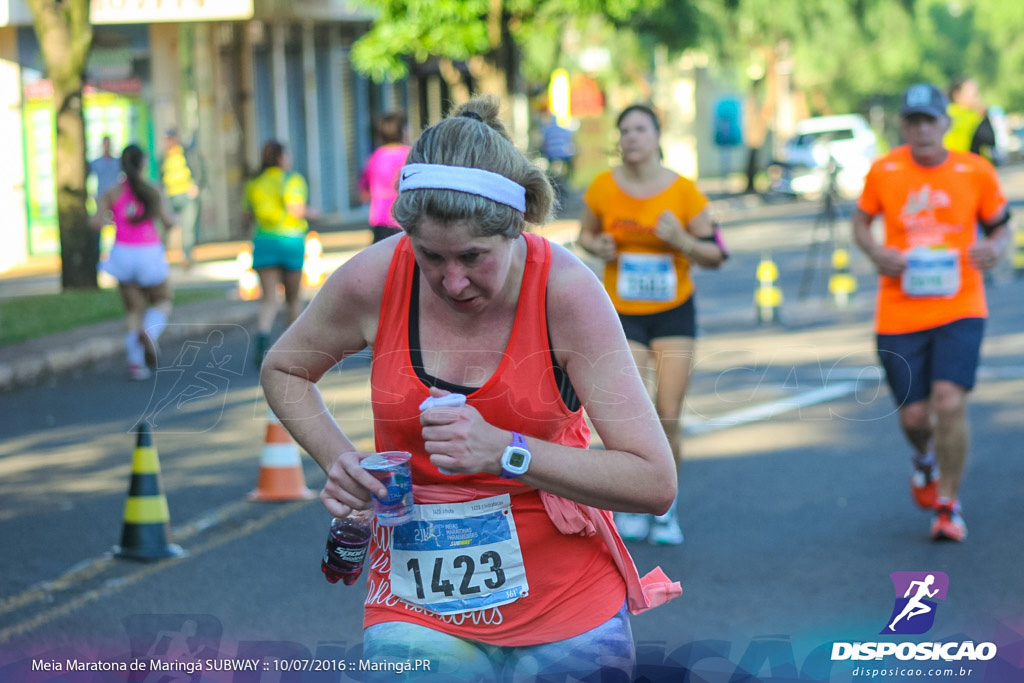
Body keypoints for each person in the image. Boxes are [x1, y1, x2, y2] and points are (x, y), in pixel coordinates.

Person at [260, 95, 681, 681]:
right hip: (416, 603)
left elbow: (655, 480)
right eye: (430, 255)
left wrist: (507, 451)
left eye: (473, 257)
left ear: (516, 229)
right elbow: (285, 369)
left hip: (565, 602)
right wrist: (343, 463)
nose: (452, 281)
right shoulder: (375, 279)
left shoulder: (567, 294)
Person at [852, 83, 1012, 542]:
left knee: (949, 401)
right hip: (900, 310)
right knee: (915, 418)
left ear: (945, 123)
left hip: (961, 304)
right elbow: (861, 221)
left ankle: (948, 504)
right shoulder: (884, 171)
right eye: (913, 121)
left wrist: (995, 249)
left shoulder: (975, 170)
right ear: (903, 126)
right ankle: (923, 460)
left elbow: (1001, 227)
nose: (921, 129)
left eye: (930, 120)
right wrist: (875, 251)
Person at [577, 103, 728, 545]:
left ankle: (666, 506)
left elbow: (717, 253)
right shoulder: (604, 188)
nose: (631, 138)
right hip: (621, 312)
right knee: (628, 411)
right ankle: (631, 503)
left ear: (657, 135)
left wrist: (680, 239)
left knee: (668, 414)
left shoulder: (682, 192)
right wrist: (597, 245)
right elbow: (584, 234)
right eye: (624, 130)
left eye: (640, 129)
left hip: (673, 310)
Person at [91, 144, 177, 381]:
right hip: (149, 252)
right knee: (162, 300)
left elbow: (96, 223)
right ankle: (150, 332)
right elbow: (168, 221)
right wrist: (176, 218)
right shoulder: (154, 189)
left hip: (122, 255)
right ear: (143, 163)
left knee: (132, 310)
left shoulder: (111, 192)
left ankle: (136, 364)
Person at [243, 140, 311, 368]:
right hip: (290, 241)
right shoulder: (292, 180)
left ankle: (262, 338)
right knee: (293, 299)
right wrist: (315, 213)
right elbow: (296, 209)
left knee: (269, 300)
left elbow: (247, 215)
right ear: (281, 158)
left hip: (263, 241)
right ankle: (291, 350)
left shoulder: (254, 182)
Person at [359, 111, 411, 244]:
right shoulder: (410, 155)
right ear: (402, 131)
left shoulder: (374, 157)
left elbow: (364, 192)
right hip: (405, 218)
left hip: (380, 219)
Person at [160, 129, 202, 268]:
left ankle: (187, 257)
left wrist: (196, 186)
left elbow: (198, 168)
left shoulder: (185, 152)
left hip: (186, 194)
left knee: (188, 228)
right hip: (170, 196)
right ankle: (160, 256)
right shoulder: (164, 156)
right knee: (163, 225)